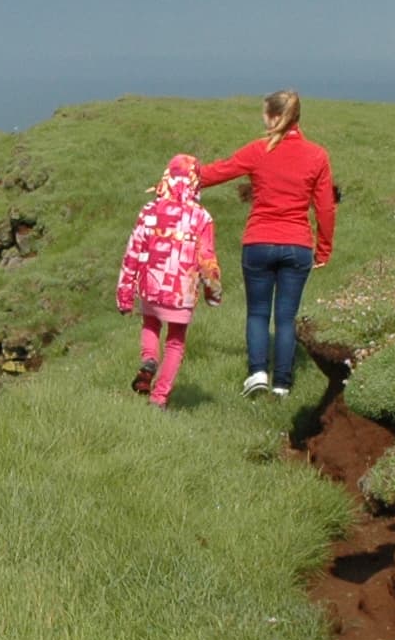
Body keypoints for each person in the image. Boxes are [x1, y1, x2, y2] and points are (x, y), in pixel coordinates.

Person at [196, 90, 334, 399]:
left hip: (258, 242)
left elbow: (218, 171)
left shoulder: (258, 150)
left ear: (274, 117)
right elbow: (325, 208)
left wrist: (177, 179)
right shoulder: (318, 155)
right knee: (286, 317)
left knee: (258, 312)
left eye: (265, 115)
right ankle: (282, 385)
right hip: (297, 246)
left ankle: (257, 373)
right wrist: (323, 249)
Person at [114, 154, 221, 407]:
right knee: (175, 342)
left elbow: (132, 252)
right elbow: (207, 258)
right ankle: (159, 397)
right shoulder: (202, 217)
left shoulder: (149, 211)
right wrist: (213, 292)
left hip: (151, 283)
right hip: (181, 290)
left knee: (150, 324)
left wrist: (125, 294)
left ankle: (149, 359)